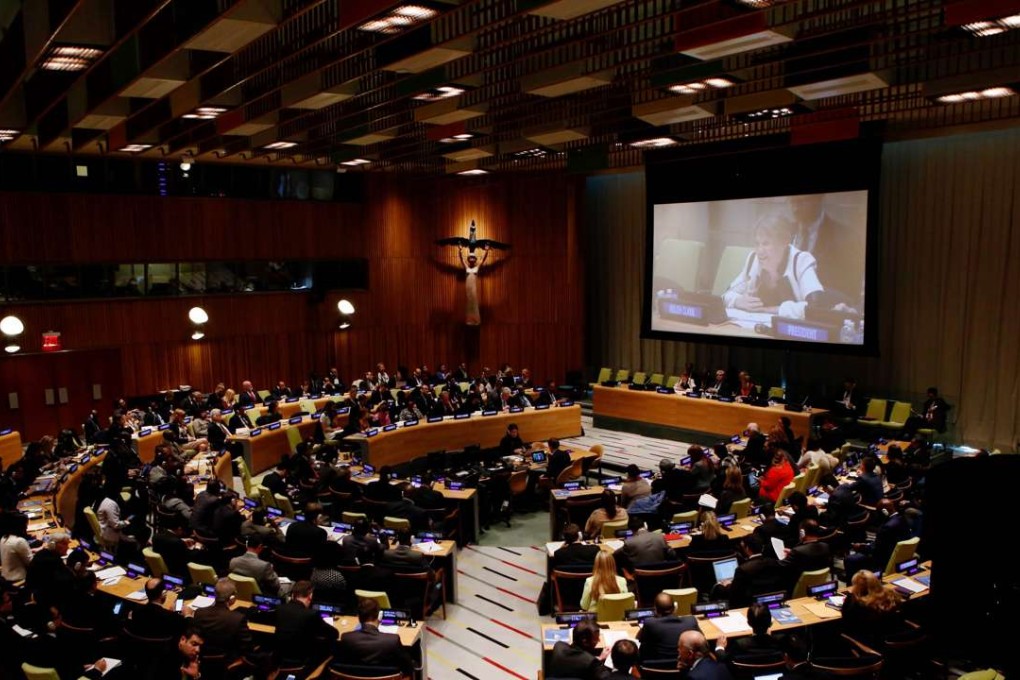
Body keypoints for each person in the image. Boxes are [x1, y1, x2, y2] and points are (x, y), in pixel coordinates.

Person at [724, 214, 823, 320]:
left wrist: (773, 310)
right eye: (757, 244)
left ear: (784, 242)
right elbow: (726, 294)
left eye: (766, 244)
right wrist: (738, 301)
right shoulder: (753, 259)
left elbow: (816, 307)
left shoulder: (800, 261)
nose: (760, 251)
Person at [788, 192, 864, 304]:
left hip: (826, 311)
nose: (795, 208)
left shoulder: (847, 238)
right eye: (792, 202)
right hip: (786, 309)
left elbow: (851, 294)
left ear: (818, 199)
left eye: (802, 201)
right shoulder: (784, 232)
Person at [333, 597, 414, 677]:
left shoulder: (346, 638)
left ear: (359, 617)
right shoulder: (393, 640)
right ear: (379, 616)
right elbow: (408, 667)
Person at [274, 580, 339, 668]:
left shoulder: (280, 609)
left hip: (278, 660)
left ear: (292, 595)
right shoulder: (311, 614)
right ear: (310, 596)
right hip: (302, 662)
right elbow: (334, 634)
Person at [840, 570, 907, 649]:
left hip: (873, 644)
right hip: (895, 638)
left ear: (857, 586)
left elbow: (846, 621)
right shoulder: (891, 594)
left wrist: (849, 598)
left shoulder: (854, 601)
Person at [193, 578, 253, 662]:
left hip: (202, 658)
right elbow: (247, 646)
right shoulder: (237, 618)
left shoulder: (199, 612)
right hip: (227, 661)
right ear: (232, 597)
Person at [719, 535, 786, 607]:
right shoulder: (775, 562)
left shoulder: (742, 569)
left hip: (750, 605)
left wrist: (728, 585)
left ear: (747, 548)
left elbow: (735, 594)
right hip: (773, 601)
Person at [637, 592, 702, 663]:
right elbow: (702, 640)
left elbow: (638, 639)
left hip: (656, 667)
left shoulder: (650, 623)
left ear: (655, 610)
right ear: (675, 607)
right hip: (684, 666)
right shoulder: (691, 621)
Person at [715, 603, 785, 662]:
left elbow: (724, 659)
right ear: (771, 623)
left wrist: (720, 647)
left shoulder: (740, 644)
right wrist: (768, 637)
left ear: (749, 623)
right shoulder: (781, 640)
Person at [460, 244, 491, 326]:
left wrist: (486, 251)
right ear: (468, 259)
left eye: (473, 258)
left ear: (475, 259)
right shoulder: (466, 267)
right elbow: (461, 259)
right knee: (469, 303)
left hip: (473, 288)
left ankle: (476, 320)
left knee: (474, 302)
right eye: (470, 257)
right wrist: (460, 250)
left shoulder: (476, 268)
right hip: (468, 288)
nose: (472, 259)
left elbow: (483, 259)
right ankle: (469, 320)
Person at [0, 512, 32, 583]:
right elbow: (31, 563)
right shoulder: (19, 541)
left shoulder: (4, 538)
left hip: (6, 577)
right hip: (19, 579)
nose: (26, 527)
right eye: (25, 524)